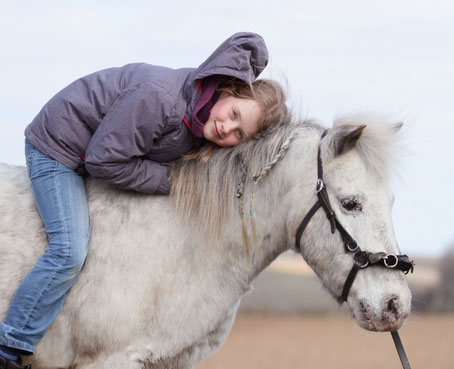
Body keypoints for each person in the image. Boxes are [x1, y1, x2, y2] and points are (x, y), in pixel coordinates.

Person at [0, 32, 287, 369]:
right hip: (58, 148)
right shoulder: (161, 100)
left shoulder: (199, 124)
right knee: (69, 250)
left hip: (90, 154)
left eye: (240, 135)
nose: (227, 129)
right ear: (227, 90)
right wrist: (170, 181)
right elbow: (103, 161)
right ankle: (10, 344)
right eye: (234, 115)